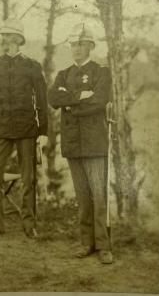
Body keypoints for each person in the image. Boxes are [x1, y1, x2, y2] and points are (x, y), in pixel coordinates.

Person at [0, 19, 48, 242]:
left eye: (8, 36)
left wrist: (43, 132)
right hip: (1, 130)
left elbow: (42, 102)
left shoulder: (33, 66)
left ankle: (29, 224)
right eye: (3, 35)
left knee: (29, 179)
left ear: (18, 39)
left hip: (27, 129)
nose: (3, 40)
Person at [48, 22, 113, 264]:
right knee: (83, 196)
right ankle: (87, 243)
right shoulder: (63, 74)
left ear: (90, 47)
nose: (76, 49)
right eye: (73, 45)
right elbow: (53, 98)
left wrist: (70, 106)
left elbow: (98, 102)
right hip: (73, 144)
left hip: (95, 143)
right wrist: (78, 97)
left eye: (81, 45)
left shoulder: (101, 72)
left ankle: (104, 246)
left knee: (98, 194)